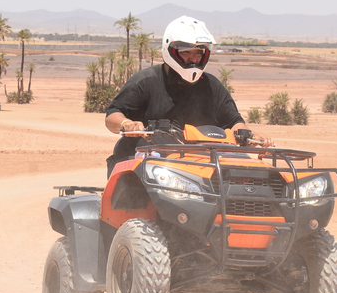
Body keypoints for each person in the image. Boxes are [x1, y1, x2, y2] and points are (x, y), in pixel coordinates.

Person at [104, 15, 273, 176]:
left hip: (201, 165)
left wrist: (250, 136)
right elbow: (112, 116)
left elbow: (235, 122)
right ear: (170, 50)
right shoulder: (145, 82)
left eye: (198, 53)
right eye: (186, 52)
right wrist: (127, 124)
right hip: (147, 163)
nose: (194, 58)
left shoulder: (212, 86)